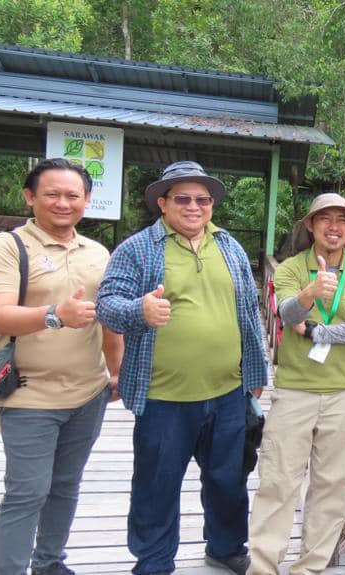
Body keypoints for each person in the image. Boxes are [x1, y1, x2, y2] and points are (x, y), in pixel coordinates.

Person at [96, 161, 267, 575]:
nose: (194, 207)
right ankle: (154, 561)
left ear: (211, 205)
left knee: (228, 478)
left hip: (228, 392)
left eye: (202, 199)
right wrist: (140, 310)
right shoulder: (138, 248)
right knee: (157, 484)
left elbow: (250, 313)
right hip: (163, 397)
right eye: (183, 199)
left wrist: (256, 372)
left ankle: (226, 547)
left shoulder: (229, 246)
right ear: (163, 202)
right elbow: (107, 305)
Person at [0, 158, 123, 575]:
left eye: (73, 195)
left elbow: (108, 319)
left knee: (65, 486)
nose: (63, 203)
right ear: (30, 197)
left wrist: (116, 372)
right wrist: (55, 314)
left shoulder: (98, 252)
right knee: (27, 492)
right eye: (52, 194)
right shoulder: (6, 247)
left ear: (87, 200)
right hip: (29, 394)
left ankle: (50, 563)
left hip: (88, 393)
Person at [248, 193, 345, 575]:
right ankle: (263, 566)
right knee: (278, 480)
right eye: (325, 219)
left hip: (343, 390)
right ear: (310, 225)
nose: (333, 227)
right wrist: (310, 293)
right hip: (295, 389)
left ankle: (310, 567)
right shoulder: (290, 267)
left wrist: (317, 331)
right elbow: (286, 314)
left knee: (332, 484)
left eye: (342, 220)